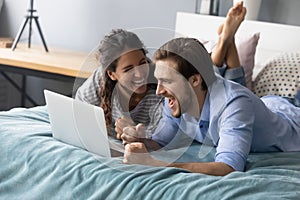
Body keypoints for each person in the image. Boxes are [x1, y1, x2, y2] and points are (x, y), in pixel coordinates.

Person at [121, 4, 300, 176]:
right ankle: (226, 41)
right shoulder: (176, 99)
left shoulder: (233, 104)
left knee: (235, 92)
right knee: (214, 74)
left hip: (291, 117)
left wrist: (156, 165)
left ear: (195, 81)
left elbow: (229, 167)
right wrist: (139, 141)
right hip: (258, 103)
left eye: (166, 81)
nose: (159, 91)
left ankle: (225, 41)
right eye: (158, 80)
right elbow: (161, 141)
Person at [75, 2, 247, 140]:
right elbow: (79, 107)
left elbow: (165, 132)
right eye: (128, 69)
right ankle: (225, 42)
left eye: (142, 62)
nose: (140, 73)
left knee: (217, 80)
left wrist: (136, 132)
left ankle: (224, 41)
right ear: (111, 74)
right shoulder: (101, 79)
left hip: (201, 86)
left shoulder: (161, 86)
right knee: (207, 70)